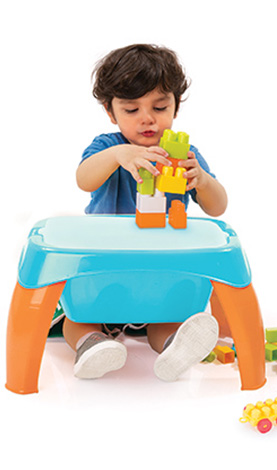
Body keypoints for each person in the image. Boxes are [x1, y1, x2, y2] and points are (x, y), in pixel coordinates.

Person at [63, 44, 228, 382]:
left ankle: (173, 349)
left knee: (167, 320)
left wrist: (202, 180)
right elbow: (83, 179)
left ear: (175, 107)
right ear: (111, 113)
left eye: (159, 106)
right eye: (131, 109)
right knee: (78, 319)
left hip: (159, 271)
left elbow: (218, 207)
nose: (147, 118)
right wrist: (118, 156)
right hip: (106, 267)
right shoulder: (107, 147)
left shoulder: (183, 154)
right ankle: (93, 345)